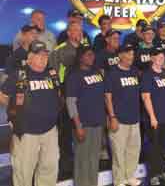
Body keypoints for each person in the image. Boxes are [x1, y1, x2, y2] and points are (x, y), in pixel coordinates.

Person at [0, 40, 60, 186]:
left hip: (49, 131)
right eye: (39, 55)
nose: (43, 59)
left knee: (49, 169)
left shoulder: (52, 73)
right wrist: (14, 111)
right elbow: (2, 95)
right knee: (23, 172)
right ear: (30, 57)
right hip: (26, 133)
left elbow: (58, 94)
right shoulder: (18, 75)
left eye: (45, 55)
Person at [66, 46, 106, 186]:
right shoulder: (74, 76)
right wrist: (78, 126)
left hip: (97, 122)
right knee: (82, 160)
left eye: (92, 55)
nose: (92, 57)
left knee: (94, 158)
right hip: (83, 124)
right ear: (80, 57)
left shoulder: (97, 73)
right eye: (88, 55)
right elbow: (71, 102)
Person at [49, 21, 84, 173]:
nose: (78, 33)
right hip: (66, 93)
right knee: (65, 129)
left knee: (82, 126)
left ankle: (81, 159)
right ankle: (65, 163)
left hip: (84, 94)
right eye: (75, 30)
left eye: (80, 31)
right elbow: (53, 73)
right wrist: (59, 93)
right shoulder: (59, 50)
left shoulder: (85, 49)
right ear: (69, 33)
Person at [105, 44, 142, 186]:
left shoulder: (134, 72)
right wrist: (112, 117)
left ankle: (130, 176)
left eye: (132, 54)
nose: (130, 57)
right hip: (119, 119)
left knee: (133, 150)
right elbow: (107, 96)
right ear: (120, 56)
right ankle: (119, 180)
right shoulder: (112, 72)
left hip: (134, 118)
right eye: (127, 54)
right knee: (118, 152)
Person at [141, 47, 165, 185]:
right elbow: (146, 97)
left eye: (163, 57)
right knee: (154, 147)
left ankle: (163, 171)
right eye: (158, 57)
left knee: (162, 146)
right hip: (153, 118)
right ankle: (153, 174)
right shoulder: (147, 75)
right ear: (152, 58)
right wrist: (153, 117)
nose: (161, 59)